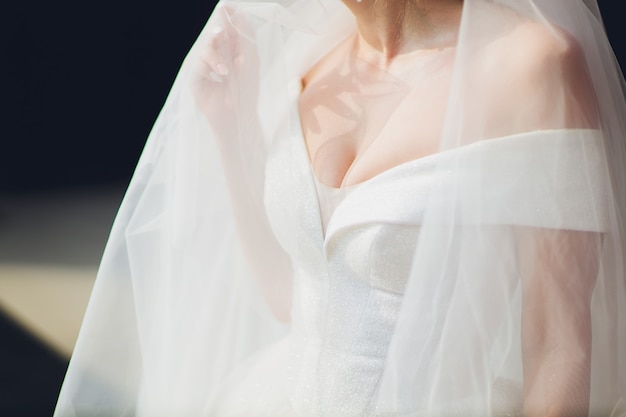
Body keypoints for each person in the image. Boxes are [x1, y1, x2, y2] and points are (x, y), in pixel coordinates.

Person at [55, 0, 626, 416]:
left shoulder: (535, 64)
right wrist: (231, 128)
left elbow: (560, 345)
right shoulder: (317, 60)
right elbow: (291, 296)